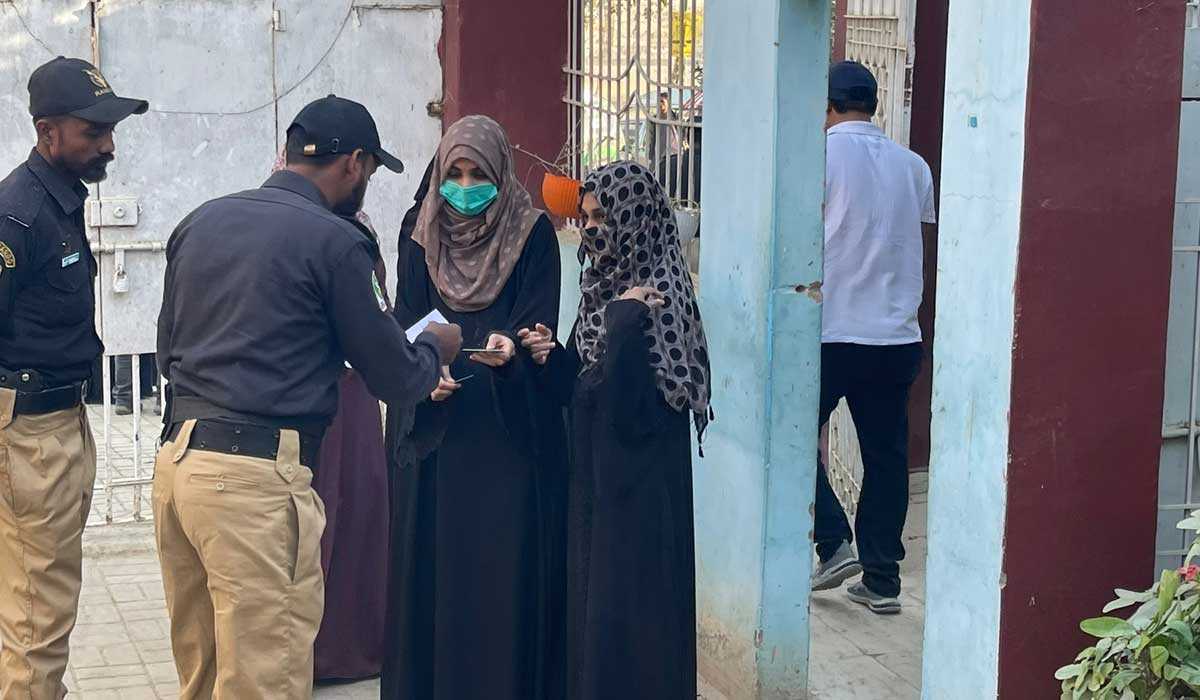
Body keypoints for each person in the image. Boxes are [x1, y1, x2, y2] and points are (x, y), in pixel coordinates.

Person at [153, 95, 461, 700]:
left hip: (177, 468)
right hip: (255, 486)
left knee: (206, 676)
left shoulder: (200, 220)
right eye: (369, 173)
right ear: (353, 164)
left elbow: (166, 352)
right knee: (265, 680)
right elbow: (391, 375)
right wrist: (437, 350)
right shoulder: (336, 241)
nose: (366, 186)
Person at [381, 115, 566, 700]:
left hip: (506, 437)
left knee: (499, 578)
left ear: (500, 173)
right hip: (438, 430)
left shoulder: (531, 233)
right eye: (453, 172)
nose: (464, 184)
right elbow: (406, 318)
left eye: (477, 173)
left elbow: (539, 319)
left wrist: (512, 345)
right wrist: (421, 376)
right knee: (435, 577)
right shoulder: (420, 231)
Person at [520, 160, 711, 700]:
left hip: (639, 506)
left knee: (632, 637)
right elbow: (582, 390)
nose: (593, 231)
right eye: (586, 219)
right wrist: (549, 355)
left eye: (604, 218)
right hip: (595, 495)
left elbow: (628, 412)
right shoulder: (603, 294)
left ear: (637, 221)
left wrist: (624, 324)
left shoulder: (661, 304)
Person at [0, 56, 147, 699]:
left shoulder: (57, 202)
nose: (107, 143)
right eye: (93, 131)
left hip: (57, 424)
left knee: (27, 603)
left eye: (111, 129)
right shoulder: (19, 215)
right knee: (38, 614)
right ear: (47, 131)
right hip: (30, 433)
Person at [808, 61, 935, 614]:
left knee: (787, 440)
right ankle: (882, 580)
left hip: (832, 329)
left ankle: (833, 542)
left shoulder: (820, 157)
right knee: (886, 456)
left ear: (828, 105)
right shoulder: (914, 166)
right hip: (896, 335)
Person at [262, 148, 392, 684]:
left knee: (357, 509)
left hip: (354, 395)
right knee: (304, 523)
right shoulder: (276, 230)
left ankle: (346, 647)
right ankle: (299, 652)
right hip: (299, 397)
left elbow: (378, 309)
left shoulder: (358, 234)